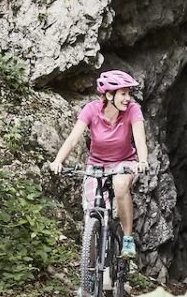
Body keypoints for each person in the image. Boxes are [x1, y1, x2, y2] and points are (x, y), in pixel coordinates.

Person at [49, 69, 149, 257]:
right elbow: (72, 139)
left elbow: (140, 140)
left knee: (120, 186)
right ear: (109, 95)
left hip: (125, 162)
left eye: (129, 94)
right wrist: (58, 161)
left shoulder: (133, 110)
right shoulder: (91, 110)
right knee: (91, 217)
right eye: (124, 94)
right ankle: (91, 280)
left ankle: (127, 239)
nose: (128, 98)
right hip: (96, 165)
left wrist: (142, 161)